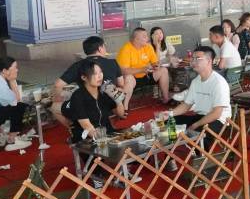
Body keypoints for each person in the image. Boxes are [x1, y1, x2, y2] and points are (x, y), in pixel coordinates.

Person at [61, 60, 125, 189]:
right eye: (95, 74)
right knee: (95, 147)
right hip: (85, 134)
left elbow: (121, 114)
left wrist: (117, 99)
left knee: (126, 141)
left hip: (107, 130)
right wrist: (103, 139)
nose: (99, 76)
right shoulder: (78, 96)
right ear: (84, 77)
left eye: (100, 72)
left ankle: (119, 170)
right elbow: (86, 125)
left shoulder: (104, 92)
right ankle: (96, 175)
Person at [52, 36, 125, 126]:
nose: (99, 76)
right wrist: (117, 97)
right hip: (109, 104)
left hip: (89, 105)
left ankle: (73, 128)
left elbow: (58, 85)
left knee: (54, 107)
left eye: (100, 72)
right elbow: (121, 85)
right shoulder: (112, 63)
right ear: (100, 48)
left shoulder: (79, 65)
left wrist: (59, 98)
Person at [169, 46, 232, 148]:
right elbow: (186, 105)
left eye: (198, 59)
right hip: (201, 116)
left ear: (209, 61)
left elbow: (217, 113)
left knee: (199, 134)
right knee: (168, 122)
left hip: (218, 120)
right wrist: (169, 114)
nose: (193, 61)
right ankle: (170, 154)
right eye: (193, 58)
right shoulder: (196, 81)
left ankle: (203, 159)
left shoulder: (218, 82)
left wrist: (196, 124)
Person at [117, 27, 170, 109]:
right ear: (136, 39)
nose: (148, 38)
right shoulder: (126, 49)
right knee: (128, 77)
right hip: (133, 78)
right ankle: (125, 107)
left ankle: (166, 99)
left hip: (146, 75)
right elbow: (123, 71)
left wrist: (156, 66)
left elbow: (155, 62)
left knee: (163, 70)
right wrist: (142, 69)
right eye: (144, 36)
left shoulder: (148, 47)